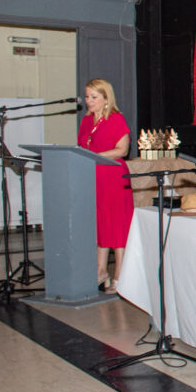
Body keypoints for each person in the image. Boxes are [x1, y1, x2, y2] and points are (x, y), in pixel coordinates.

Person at [78, 78, 134, 293]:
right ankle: (101, 271)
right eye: (87, 96)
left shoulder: (116, 119)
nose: (88, 101)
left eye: (94, 97)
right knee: (100, 225)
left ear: (106, 98)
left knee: (117, 226)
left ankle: (120, 276)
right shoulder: (86, 121)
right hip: (93, 177)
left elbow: (122, 149)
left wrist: (96, 156)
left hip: (113, 177)